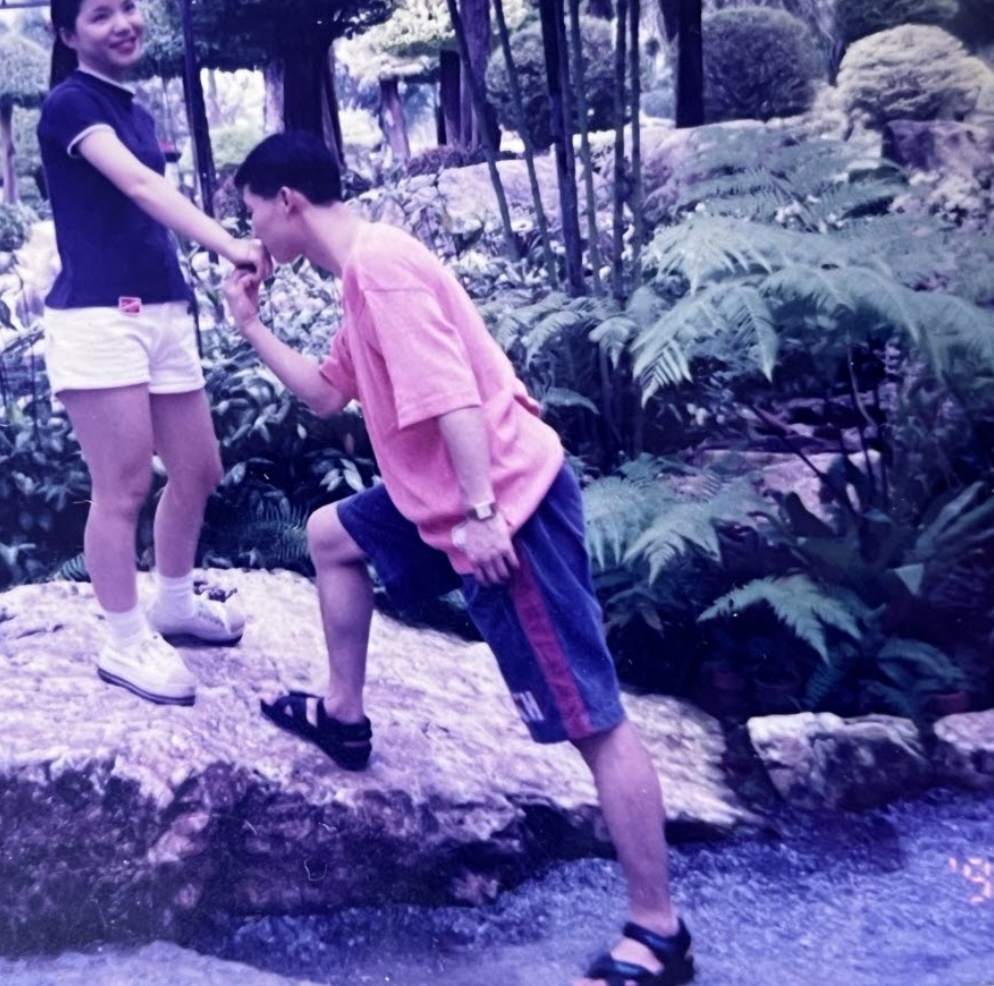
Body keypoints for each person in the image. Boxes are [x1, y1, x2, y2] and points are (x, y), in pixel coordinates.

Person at [221, 131, 694, 986]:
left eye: (253, 212)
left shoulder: (379, 269)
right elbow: (327, 394)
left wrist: (482, 515)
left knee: (592, 719)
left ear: (287, 200)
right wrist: (250, 323)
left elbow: (452, 396)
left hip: (505, 504)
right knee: (332, 535)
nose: (252, 231)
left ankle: (658, 931)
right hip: (440, 496)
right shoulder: (360, 275)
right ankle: (344, 714)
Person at [37, 0, 270, 708]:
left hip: (165, 312)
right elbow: (141, 187)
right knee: (124, 486)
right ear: (68, 33)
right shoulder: (70, 104)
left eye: (129, 7)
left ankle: (173, 603)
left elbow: (146, 201)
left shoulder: (131, 109)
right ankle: (123, 639)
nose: (124, 23)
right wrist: (230, 244)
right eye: (101, 15)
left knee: (198, 468)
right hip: (100, 319)